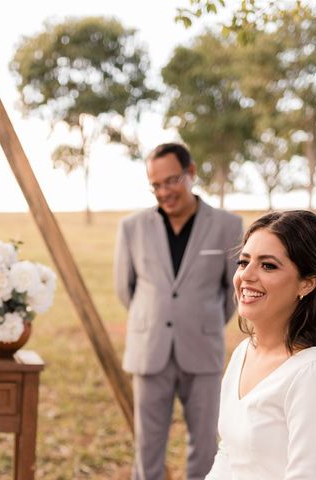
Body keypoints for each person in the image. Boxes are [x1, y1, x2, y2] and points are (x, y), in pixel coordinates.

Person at [114, 142, 243, 480]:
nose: (164, 192)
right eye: (155, 185)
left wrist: (202, 321)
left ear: (191, 173)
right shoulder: (132, 227)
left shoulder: (228, 225)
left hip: (203, 349)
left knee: (205, 446)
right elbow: (124, 288)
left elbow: (233, 290)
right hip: (149, 349)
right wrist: (154, 318)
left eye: (171, 181)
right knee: (147, 447)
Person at [206, 210, 316, 479]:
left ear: (307, 283)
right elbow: (229, 454)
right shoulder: (244, 353)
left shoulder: (315, 374)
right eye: (243, 262)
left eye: (268, 265)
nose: (246, 276)